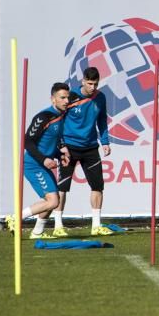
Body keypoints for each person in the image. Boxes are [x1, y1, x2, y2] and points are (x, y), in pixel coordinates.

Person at [6, 83, 71, 239]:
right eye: (62, 97)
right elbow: (27, 141)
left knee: (52, 199)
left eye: (67, 97)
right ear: (53, 99)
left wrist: (59, 154)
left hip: (42, 163)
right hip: (33, 164)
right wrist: (44, 159)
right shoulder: (44, 116)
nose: (66, 101)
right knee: (53, 201)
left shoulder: (61, 116)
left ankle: (37, 232)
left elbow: (47, 143)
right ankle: (15, 218)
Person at [55, 67, 112, 237]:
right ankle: (58, 226)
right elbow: (58, 120)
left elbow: (102, 120)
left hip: (91, 147)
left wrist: (105, 142)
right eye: (89, 83)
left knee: (97, 186)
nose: (92, 87)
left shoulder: (100, 98)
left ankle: (96, 225)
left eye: (95, 84)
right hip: (69, 147)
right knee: (62, 187)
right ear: (82, 81)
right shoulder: (70, 97)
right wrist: (60, 144)